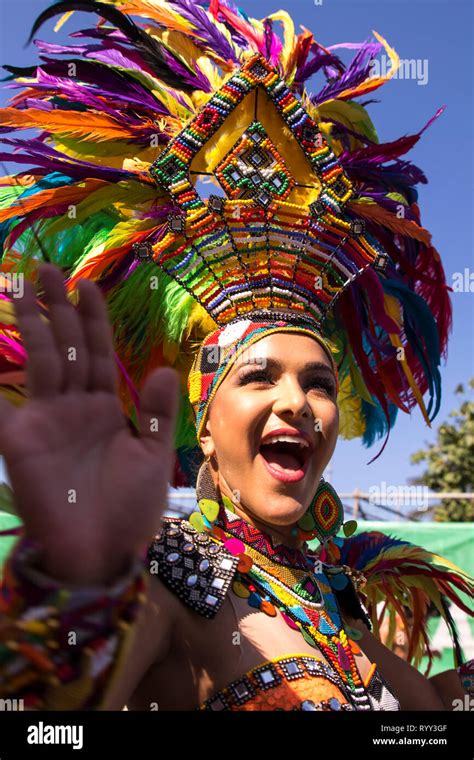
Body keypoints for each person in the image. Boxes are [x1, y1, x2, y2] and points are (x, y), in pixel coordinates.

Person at [0, 0, 472, 712]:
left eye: (319, 383)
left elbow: (428, 716)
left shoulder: (333, 591)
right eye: (259, 376)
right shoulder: (166, 575)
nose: (298, 403)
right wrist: (72, 577)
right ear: (205, 425)